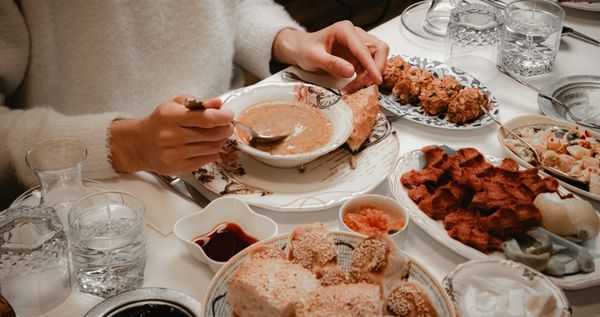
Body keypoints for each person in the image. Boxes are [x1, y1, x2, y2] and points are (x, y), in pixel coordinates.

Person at [0, 0, 389, 206]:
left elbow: (231, 7)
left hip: (228, 170)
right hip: (92, 197)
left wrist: (288, 40)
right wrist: (128, 145)